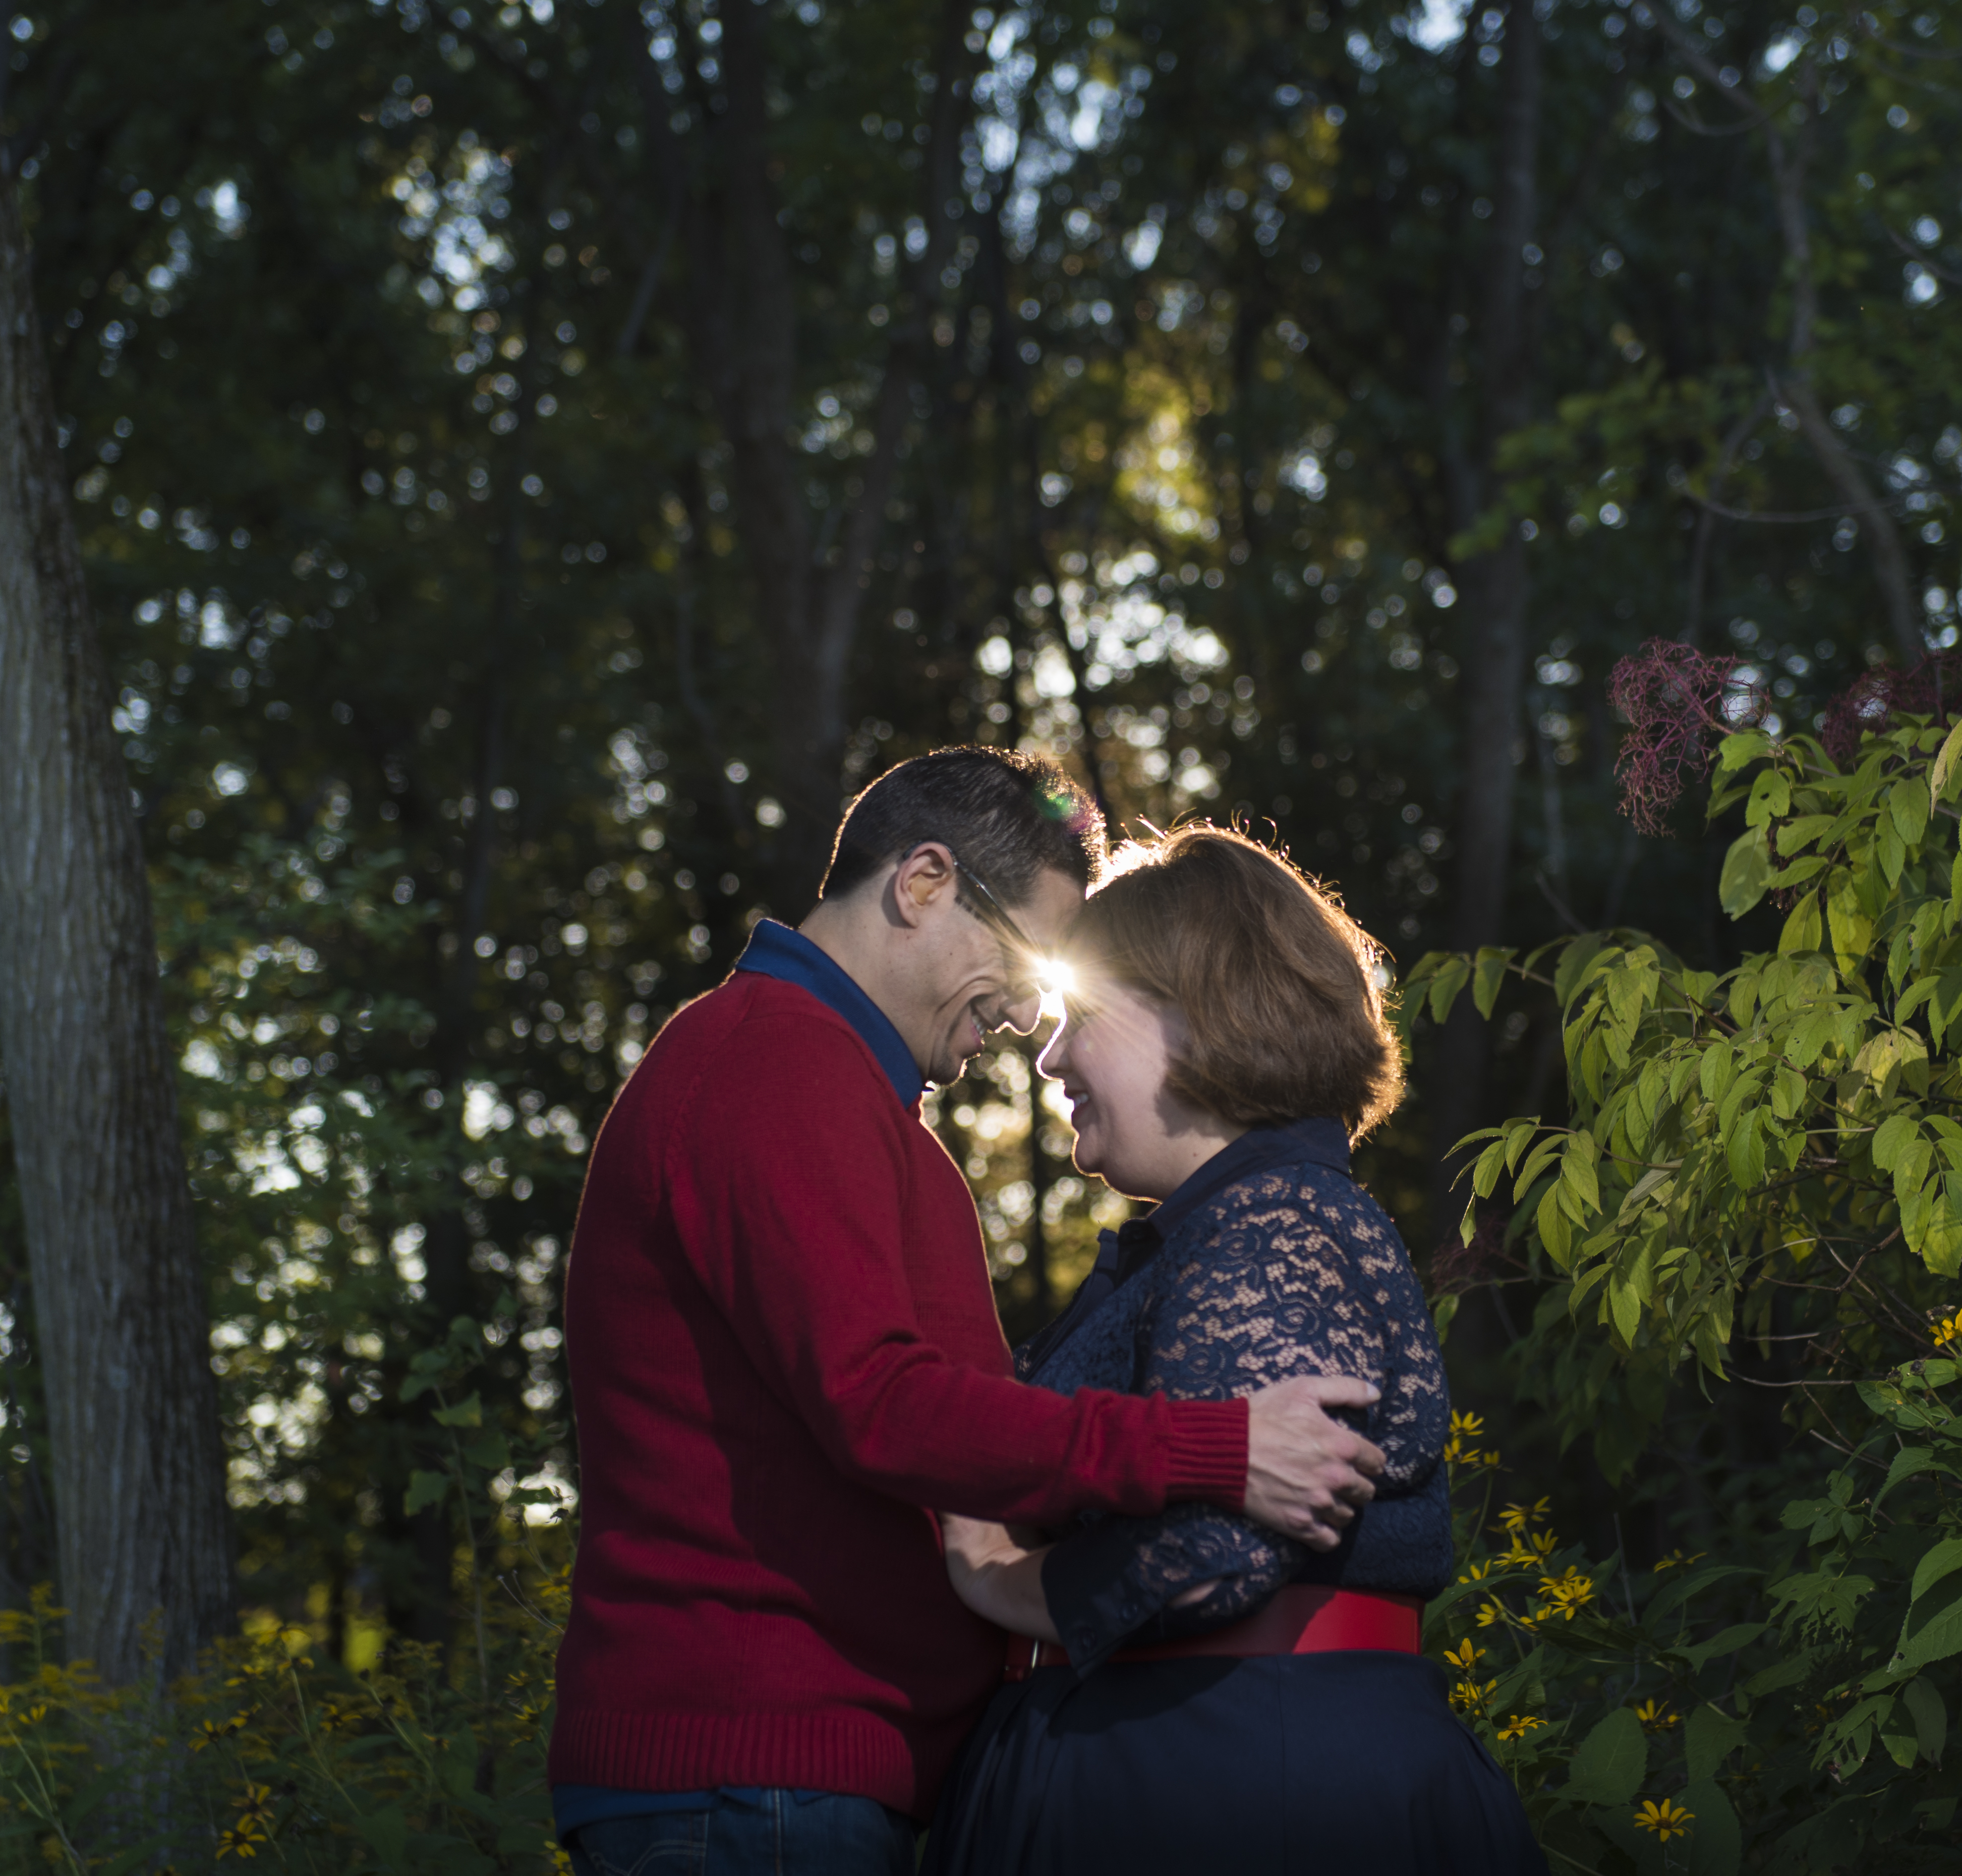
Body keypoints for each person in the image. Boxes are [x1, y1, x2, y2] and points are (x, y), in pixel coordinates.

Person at [545, 750, 1389, 1876]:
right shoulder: (774, 1062)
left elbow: (946, 1429)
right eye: (1024, 955)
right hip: (753, 1775)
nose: (1026, 1012)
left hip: (801, 1778)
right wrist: (1215, 1447)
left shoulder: (843, 1091)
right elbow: (880, 1403)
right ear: (923, 882)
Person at [927, 825, 1545, 1876]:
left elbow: (1215, 1552)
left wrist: (998, 1581)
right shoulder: (1223, 1230)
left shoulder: (1276, 1224)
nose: (1051, 1053)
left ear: (1195, 1010)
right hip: (1197, 1762)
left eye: (1082, 1016)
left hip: (1240, 1781)